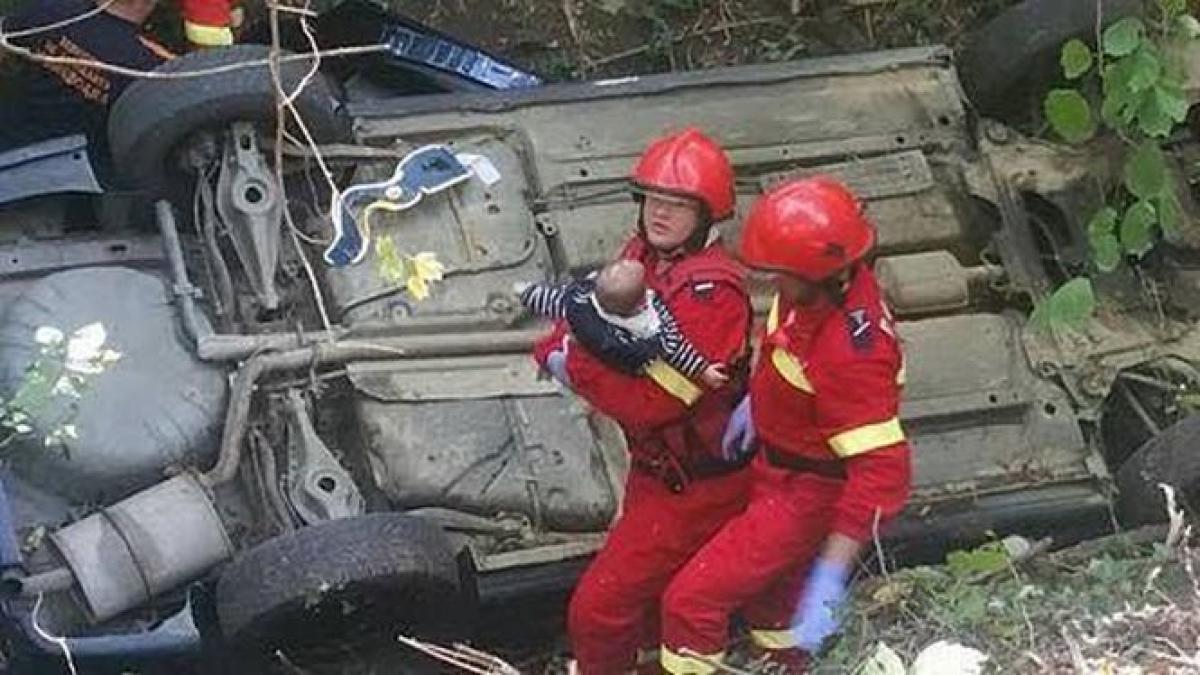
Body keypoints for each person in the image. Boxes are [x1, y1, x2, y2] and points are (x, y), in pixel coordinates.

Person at [657, 177, 913, 674]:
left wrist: (833, 570)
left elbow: (882, 473)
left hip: (804, 493)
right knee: (775, 602)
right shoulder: (815, 290)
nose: (771, 282)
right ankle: (789, 661)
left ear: (817, 271)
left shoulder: (850, 354)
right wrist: (761, 399)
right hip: (776, 469)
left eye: (779, 273)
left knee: (690, 602)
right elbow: (787, 343)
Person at [530, 127, 752, 675]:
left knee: (597, 612)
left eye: (677, 205)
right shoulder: (644, 256)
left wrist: (572, 359)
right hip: (660, 470)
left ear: (706, 216)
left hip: (695, 484)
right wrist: (570, 341)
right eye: (654, 199)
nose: (660, 214)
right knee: (647, 603)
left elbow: (652, 401)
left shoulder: (713, 295)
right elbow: (587, 309)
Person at [0, 0, 235, 154]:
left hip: (11, 153)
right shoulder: (150, 69)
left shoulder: (52, 11)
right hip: (80, 191)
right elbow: (210, 93)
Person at [520, 258, 730, 390]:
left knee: (561, 358)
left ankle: (557, 365)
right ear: (641, 304)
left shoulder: (579, 304)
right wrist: (704, 371)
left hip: (587, 350)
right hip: (628, 368)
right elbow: (680, 352)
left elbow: (550, 301)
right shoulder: (650, 329)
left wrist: (527, 293)